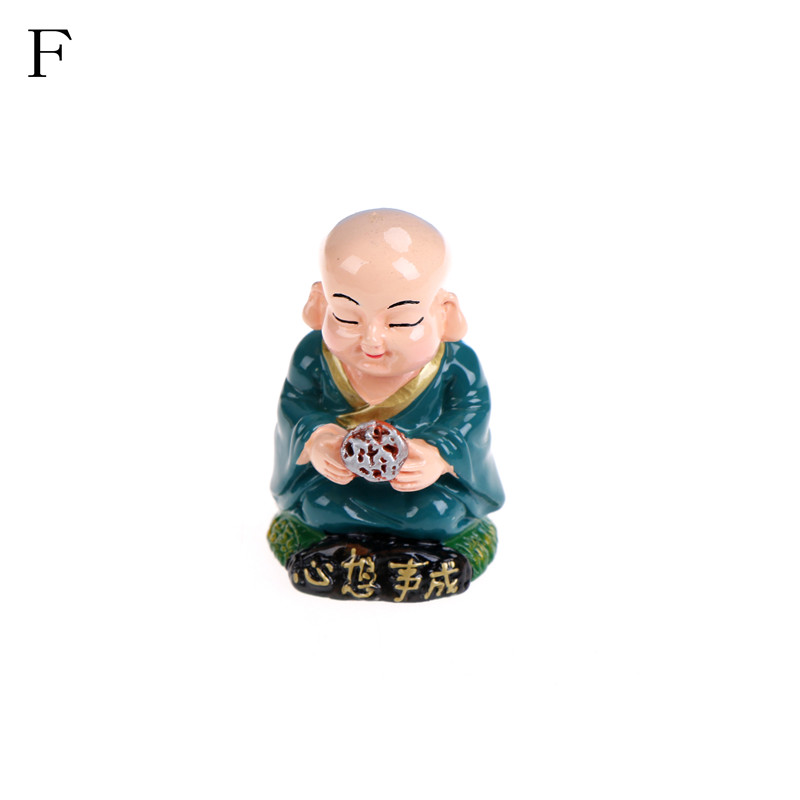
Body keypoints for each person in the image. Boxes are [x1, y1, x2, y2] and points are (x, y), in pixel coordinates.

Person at [268, 209, 504, 592]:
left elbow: (471, 414)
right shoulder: (314, 355)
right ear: (320, 302)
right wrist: (319, 440)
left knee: (437, 514)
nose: (372, 340)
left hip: (420, 490)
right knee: (318, 507)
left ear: (443, 313)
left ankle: (417, 555)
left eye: (401, 322)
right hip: (339, 485)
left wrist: (438, 455)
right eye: (348, 317)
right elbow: (295, 405)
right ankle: (343, 552)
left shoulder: (456, 365)